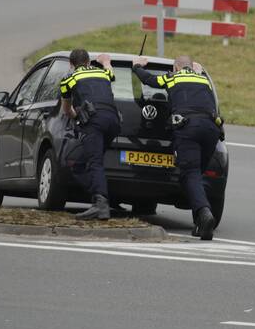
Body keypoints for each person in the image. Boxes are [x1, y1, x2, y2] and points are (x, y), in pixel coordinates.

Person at [132, 54, 222, 240]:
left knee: (190, 173)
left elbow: (149, 80)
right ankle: (201, 222)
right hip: (211, 129)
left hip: (188, 128)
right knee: (197, 174)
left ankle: (204, 214)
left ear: (176, 68)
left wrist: (137, 67)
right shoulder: (203, 79)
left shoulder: (173, 77)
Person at [60, 48, 120, 220]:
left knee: (94, 162)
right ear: (88, 62)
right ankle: (103, 196)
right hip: (113, 121)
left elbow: (67, 110)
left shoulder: (69, 79)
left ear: (71, 65)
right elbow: (111, 73)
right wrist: (106, 61)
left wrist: (77, 115)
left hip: (94, 122)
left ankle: (101, 205)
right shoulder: (103, 73)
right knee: (80, 166)